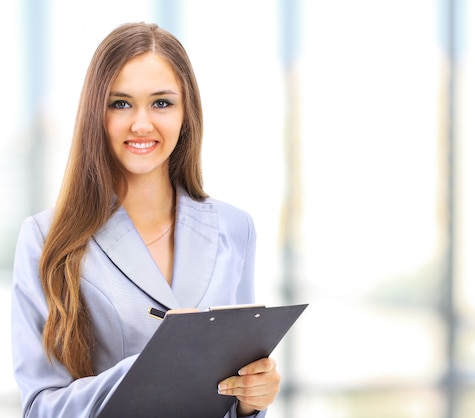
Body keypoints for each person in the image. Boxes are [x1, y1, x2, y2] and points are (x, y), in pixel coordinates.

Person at [11, 22, 280, 417]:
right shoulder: (45, 238)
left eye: (161, 103)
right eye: (120, 103)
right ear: (95, 114)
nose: (141, 123)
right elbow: (39, 408)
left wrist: (250, 401)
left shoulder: (234, 228)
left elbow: (233, 384)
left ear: (186, 112)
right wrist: (155, 367)